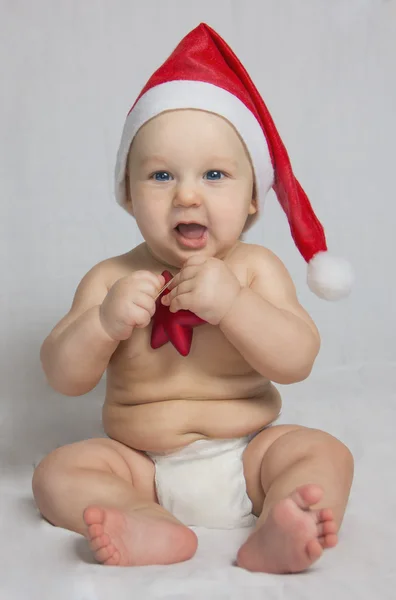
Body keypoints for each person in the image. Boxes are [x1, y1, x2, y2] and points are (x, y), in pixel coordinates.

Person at [32, 23, 354, 574]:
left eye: (214, 174)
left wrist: (234, 306)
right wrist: (104, 323)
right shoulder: (111, 277)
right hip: (141, 465)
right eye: (160, 175)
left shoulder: (253, 270)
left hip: (249, 453)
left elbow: (297, 358)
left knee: (323, 453)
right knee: (56, 472)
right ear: (128, 195)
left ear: (253, 197)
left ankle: (282, 517)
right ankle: (144, 520)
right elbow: (63, 375)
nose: (186, 193)